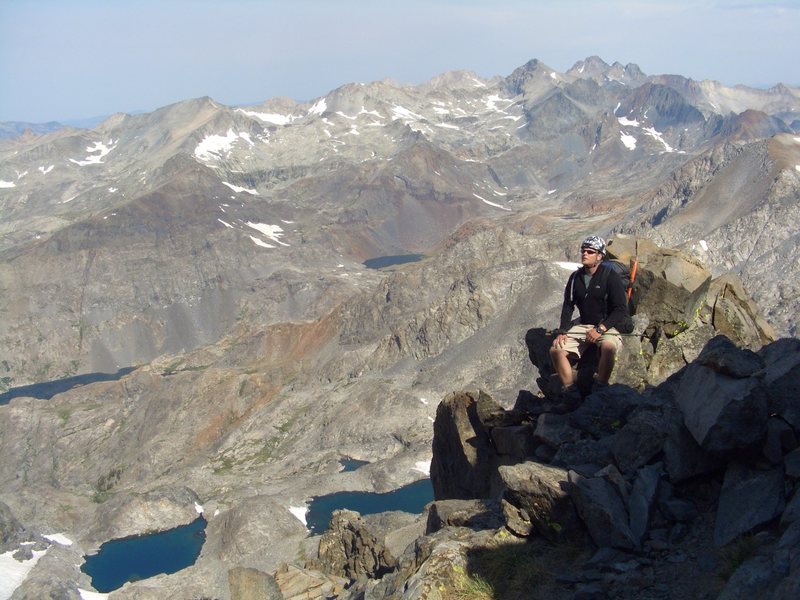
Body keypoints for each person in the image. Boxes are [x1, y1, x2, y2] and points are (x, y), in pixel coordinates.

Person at [549, 235, 628, 405]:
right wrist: (562, 331)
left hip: (607, 326)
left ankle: (601, 386)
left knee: (607, 347)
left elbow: (621, 309)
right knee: (556, 350)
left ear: (600, 256)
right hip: (583, 325)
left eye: (590, 252)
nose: (585, 254)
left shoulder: (610, 276)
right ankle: (570, 390)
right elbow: (568, 306)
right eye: (583, 251)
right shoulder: (575, 278)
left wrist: (600, 329)